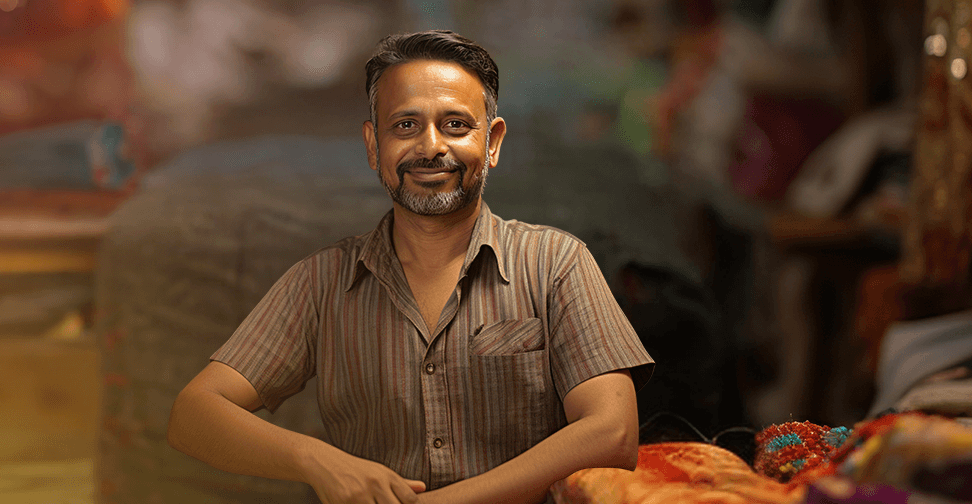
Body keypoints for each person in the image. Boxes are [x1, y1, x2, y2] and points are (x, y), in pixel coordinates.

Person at [165, 30, 656, 504]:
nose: (430, 146)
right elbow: (194, 414)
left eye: (455, 125)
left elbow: (612, 432)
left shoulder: (555, 264)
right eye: (405, 125)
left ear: (494, 142)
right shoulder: (322, 282)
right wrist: (316, 460)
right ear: (373, 145)